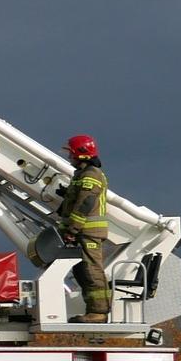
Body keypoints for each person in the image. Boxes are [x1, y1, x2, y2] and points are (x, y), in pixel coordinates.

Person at [59, 134, 114, 323]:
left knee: (91, 271)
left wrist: (72, 229)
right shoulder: (82, 175)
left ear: (81, 154)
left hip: (88, 232)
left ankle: (99, 312)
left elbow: (85, 203)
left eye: (71, 154)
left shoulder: (91, 175)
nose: (69, 157)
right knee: (81, 271)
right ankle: (92, 309)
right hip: (82, 231)